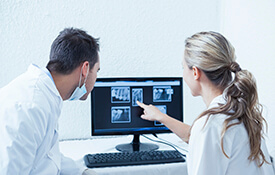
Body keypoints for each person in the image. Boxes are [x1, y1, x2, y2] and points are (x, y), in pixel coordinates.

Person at [137, 31, 274, 174]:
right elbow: (200, 137)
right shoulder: (238, 109)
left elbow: (205, 134)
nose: (183, 73)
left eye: (183, 67)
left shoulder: (210, 124)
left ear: (195, 72)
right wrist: (161, 117)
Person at [0, 28, 100, 175]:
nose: (96, 78)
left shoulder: (47, 95)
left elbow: (47, 157)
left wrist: (82, 172)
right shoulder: (29, 105)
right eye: (97, 71)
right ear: (85, 69)